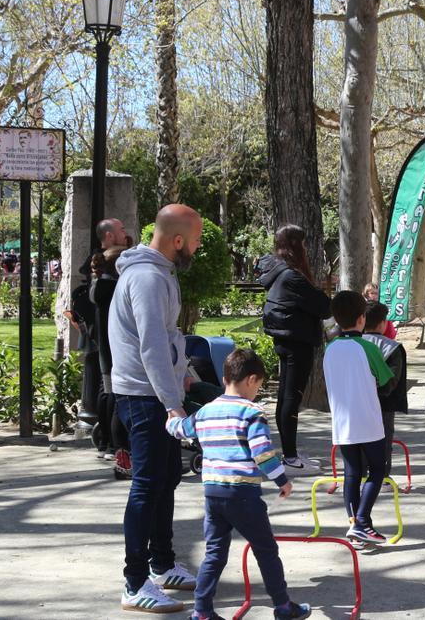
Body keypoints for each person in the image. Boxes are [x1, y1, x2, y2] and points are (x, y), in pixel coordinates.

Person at [165, 349, 312, 620]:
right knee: (266, 550)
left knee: (215, 553)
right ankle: (282, 606)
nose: (256, 392)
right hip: (243, 494)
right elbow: (262, 453)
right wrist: (282, 480)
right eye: (258, 386)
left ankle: (202, 611)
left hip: (213, 494)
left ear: (224, 379)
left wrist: (170, 421)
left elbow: (182, 429)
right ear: (251, 380)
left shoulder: (206, 411)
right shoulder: (252, 412)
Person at [110, 204, 202, 613]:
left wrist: (183, 374)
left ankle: (162, 564)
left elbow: (166, 338)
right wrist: (171, 405)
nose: (197, 250)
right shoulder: (147, 277)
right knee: (147, 484)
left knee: (167, 477)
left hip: (158, 393)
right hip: (143, 397)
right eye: (195, 243)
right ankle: (134, 582)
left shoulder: (160, 273)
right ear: (177, 240)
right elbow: (150, 345)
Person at [324, 291, 395, 544]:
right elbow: (387, 381)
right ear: (362, 318)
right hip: (368, 419)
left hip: (342, 421)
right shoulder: (367, 347)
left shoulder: (330, 348)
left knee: (352, 472)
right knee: (377, 470)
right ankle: (363, 519)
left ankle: (354, 524)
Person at [260, 225, 332, 472]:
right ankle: (290, 458)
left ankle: (290, 452)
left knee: (286, 397)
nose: (305, 247)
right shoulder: (292, 276)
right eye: (302, 243)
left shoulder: (279, 271)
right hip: (296, 342)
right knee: (291, 398)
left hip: (286, 339)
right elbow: (323, 307)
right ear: (294, 245)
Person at [92, 245, 131, 472]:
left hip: (108, 351)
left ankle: (110, 445)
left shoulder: (101, 287)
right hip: (116, 351)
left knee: (110, 396)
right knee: (116, 400)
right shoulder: (114, 289)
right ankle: (118, 448)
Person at [363, 302, 408, 477]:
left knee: (358, 440)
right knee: (383, 440)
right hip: (384, 405)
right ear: (383, 323)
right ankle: (382, 476)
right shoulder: (392, 347)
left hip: (356, 403)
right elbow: (392, 381)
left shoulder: (352, 344)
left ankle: (358, 473)